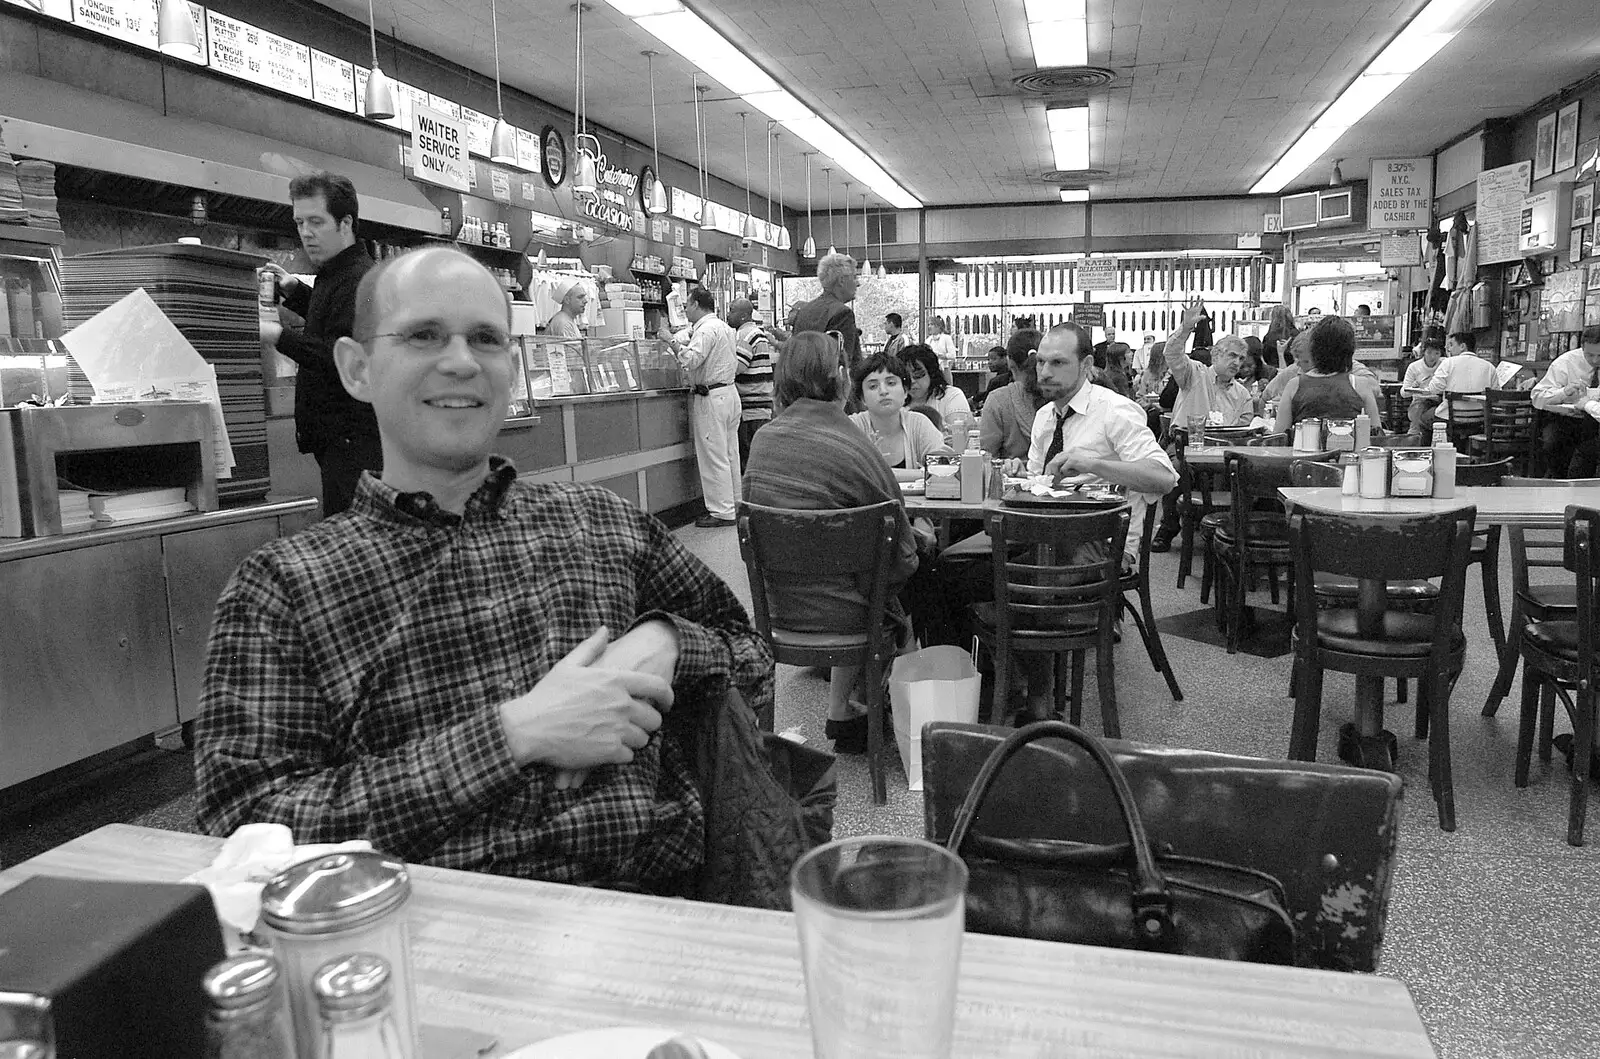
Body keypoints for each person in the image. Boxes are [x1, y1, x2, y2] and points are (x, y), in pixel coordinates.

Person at [195, 246, 784, 898]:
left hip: (655, 918)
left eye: (486, 339)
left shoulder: (602, 524)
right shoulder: (285, 589)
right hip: (426, 948)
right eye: (423, 335)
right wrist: (515, 734)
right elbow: (244, 829)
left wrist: (668, 643)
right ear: (355, 369)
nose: (460, 360)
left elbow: (752, 654)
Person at [742, 332, 919, 754]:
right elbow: (902, 554)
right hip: (853, 615)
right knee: (907, 578)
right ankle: (897, 719)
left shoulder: (764, 440)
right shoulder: (854, 442)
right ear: (841, 377)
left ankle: (845, 710)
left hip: (780, 610)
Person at [259, 172, 379, 516]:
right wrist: (295, 290)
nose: (305, 232)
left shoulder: (362, 279)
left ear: (345, 223)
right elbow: (332, 319)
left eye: (315, 221)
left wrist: (279, 336)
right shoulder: (337, 272)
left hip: (355, 445)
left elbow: (340, 355)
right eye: (299, 222)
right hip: (337, 444)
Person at [659, 288, 741, 528]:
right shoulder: (723, 327)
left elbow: (691, 359)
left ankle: (721, 512)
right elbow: (691, 336)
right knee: (729, 453)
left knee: (713, 455)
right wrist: (678, 335)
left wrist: (670, 340)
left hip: (711, 397)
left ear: (696, 304)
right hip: (729, 394)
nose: (684, 309)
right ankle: (735, 503)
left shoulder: (705, 330)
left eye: (687, 304)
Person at [1272, 315, 1383, 436]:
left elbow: (1279, 437)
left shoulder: (1295, 385)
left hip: (1303, 452)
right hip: (1350, 453)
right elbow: (1376, 435)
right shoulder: (1361, 385)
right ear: (1350, 351)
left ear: (1314, 349)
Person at [849, 351, 952, 481]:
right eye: (873, 386)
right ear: (862, 398)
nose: (883, 391)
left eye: (891, 383)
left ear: (905, 391)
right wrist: (921, 474)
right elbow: (846, 475)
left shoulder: (918, 424)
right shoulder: (852, 427)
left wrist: (876, 471)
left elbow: (944, 469)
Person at [1162, 301, 1253, 430]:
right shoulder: (1195, 373)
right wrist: (1185, 329)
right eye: (1232, 355)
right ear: (1215, 354)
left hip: (1224, 445)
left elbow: (1244, 431)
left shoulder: (1243, 395)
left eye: (1241, 358)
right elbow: (1172, 353)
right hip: (1187, 444)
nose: (1237, 363)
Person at [1530, 324, 1600, 477]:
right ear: (1582, 348)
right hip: (1565, 420)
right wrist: (1563, 392)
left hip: (1595, 422)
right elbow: (1537, 397)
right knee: (1553, 443)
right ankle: (1558, 482)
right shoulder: (1566, 363)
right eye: (1590, 355)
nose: (1595, 360)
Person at [979, 328, 1047, 460]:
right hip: (1060, 478)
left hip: (1013, 478)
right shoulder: (1060, 395)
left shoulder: (998, 400)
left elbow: (986, 457)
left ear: (1010, 362)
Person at [791, 252, 861, 371]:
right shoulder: (843, 314)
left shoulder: (804, 311)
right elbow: (843, 365)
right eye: (855, 277)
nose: (858, 283)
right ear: (841, 280)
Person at [728, 298, 774, 465]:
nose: (728, 315)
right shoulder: (755, 332)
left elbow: (737, 367)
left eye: (732, 310)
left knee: (748, 460)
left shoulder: (744, 335)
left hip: (751, 408)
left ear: (742, 316)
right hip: (761, 406)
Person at [1426, 330, 1496, 435]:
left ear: (1462, 346)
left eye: (1451, 345)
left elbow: (1433, 389)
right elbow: (1495, 395)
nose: (1449, 349)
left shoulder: (1448, 363)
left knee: (1424, 419)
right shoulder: (1489, 366)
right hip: (1480, 419)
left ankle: (1432, 450)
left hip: (1449, 418)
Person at [901, 343, 973, 427]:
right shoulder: (897, 402)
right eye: (906, 378)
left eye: (918, 375)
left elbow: (958, 433)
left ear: (931, 373)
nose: (912, 381)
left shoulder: (951, 396)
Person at [1403, 335, 1446, 436]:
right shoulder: (1414, 367)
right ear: (1423, 352)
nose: (1433, 357)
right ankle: (1414, 438)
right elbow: (1403, 393)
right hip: (1420, 400)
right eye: (1429, 352)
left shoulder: (1445, 364)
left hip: (1439, 400)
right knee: (1418, 410)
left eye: (1437, 353)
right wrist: (1413, 388)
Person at [978, 343, 1012, 408]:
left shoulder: (998, 380)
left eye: (994, 359)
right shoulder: (1000, 376)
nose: (989, 362)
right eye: (988, 359)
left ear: (1005, 358)